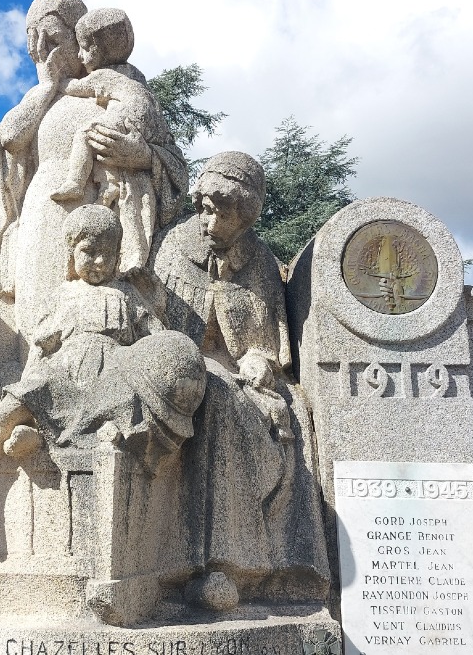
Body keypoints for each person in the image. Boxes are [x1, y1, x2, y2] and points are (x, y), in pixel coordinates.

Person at [152, 151, 329, 609]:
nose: (207, 218)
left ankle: (288, 565)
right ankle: (216, 564)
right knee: (219, 402)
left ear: (243, 214)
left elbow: (269, 339)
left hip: (244, 375)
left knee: (295, 416)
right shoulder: (174, 247)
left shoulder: (261, 261)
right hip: (185, 366)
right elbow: (157, 325)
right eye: (204, 207)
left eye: (219, 211)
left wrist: (260, 358)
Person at [0, 205, 205, 492]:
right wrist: (29, 379)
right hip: (66, 371)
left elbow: (156, 341)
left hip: (114, 374)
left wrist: (156, 303)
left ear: (117, 256)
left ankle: (38, 437)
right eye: (89, 251)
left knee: (121, 404)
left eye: (107, 254)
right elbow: (40, 349)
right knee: (21, 396)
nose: (98, 260)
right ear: (71, 253)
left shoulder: (127, 295)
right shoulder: (62, 296)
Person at [0, 0, 188, 336]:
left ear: (80, 39)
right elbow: (10, 138)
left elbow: (175, 164)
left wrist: (143, 157)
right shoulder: (42, 96)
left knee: (110, 315)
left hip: (110, 205)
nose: (45, 51)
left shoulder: (125, 86)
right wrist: (49, 87)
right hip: (48, 208)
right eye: (36, 42)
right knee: (41, 322)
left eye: (55, 38)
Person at [49, 8, 172, 276]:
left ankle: (75, 182)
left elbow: (74, 87)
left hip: (129, 161)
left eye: (83, 48)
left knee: (87, 133)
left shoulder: (108, 77)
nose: (80, 57)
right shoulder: (135, 79)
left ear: (98, 49)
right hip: (132, 133)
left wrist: (145, 158)